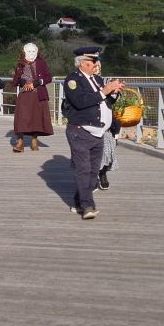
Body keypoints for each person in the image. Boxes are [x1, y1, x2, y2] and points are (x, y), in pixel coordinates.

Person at [63, 47, 124, 220]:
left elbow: (105, 100)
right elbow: (80, 102)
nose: (97, 64)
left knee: (92, 171)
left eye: (97, 61)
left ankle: (78, 202)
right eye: (94, 61)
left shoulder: (97, 79)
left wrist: (113, 93)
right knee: (83, 169)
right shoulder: (72, 80)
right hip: (80, 131)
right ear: (83, 63)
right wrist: (104, 92)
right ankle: (88, 206)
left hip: (99, 132)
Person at [12, 43, 54, 152]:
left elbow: (49, 78)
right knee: (22, 117)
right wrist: (20, 82)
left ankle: (34, 141)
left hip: (38, 94)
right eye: (29, 51)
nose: (31, 53)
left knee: (36, 118)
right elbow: (15, 80)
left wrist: (39, 82)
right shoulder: (20, 64)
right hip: (24, 94)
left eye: (33, 51)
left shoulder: (41, 63)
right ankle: (20, 143)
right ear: (24, 52)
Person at [94, 61, 119, 190]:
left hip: (105, 122)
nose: (96, 67)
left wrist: (114, 92)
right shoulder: (82, 80)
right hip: (90, 121)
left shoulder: (106, 80)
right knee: (91, 152)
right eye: (93, 64)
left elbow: (112, 100)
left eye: (97, 65)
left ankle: (103, 174)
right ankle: (92, 178)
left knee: (107, 150)